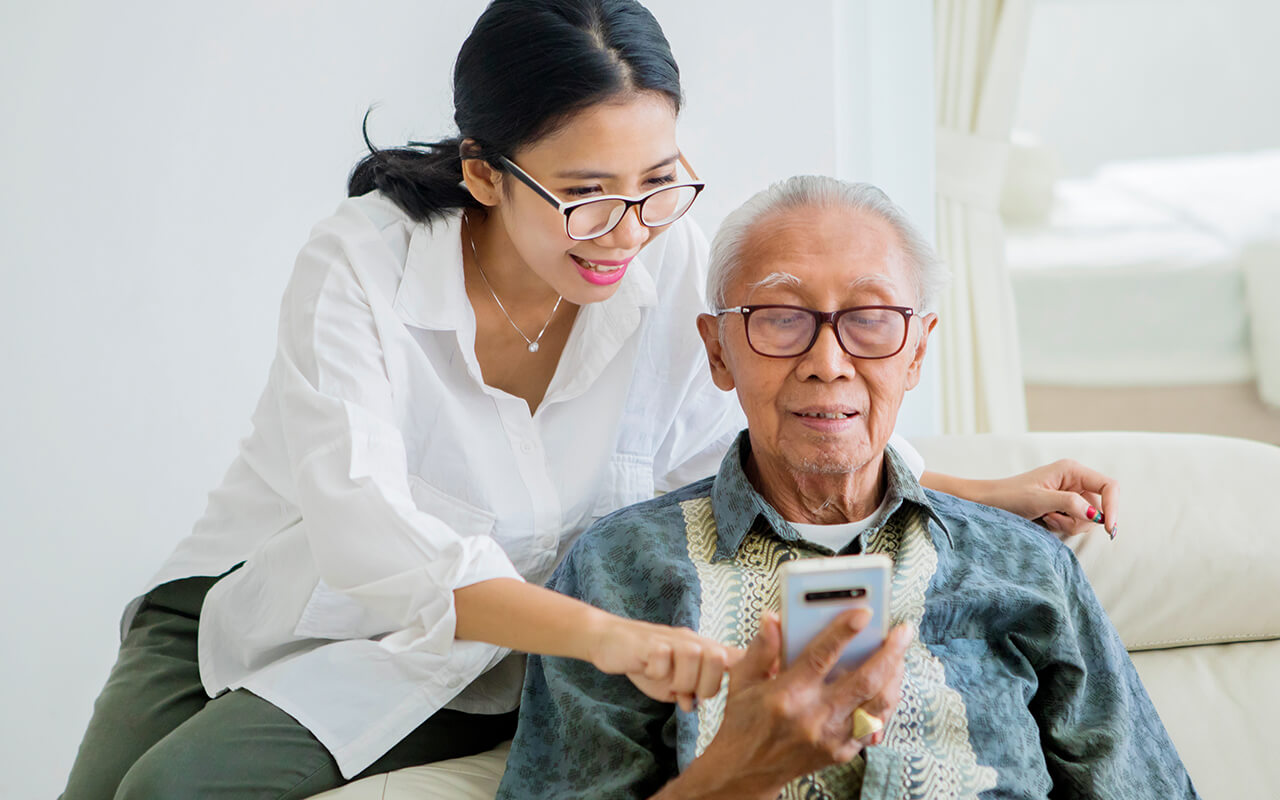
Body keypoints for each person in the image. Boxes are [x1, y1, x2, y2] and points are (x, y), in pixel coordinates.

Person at [60, 2, 1119, 798]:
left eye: (656, 180)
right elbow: (365, 536)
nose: (627, 228)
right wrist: (607, 638)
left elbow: (732, 438)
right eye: (582, 195)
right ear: (482, 172)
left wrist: (975, 490)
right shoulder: (363, 264)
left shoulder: (667, 256)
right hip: (266, 586)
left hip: (472, 641)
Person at [497, 176, 1198, 799]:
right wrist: (732, 776)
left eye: (870, 320)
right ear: (718, 351)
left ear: (917, 351)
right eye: (780, 319)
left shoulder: (1026, 567)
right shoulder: (618, 570)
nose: (827, 363)